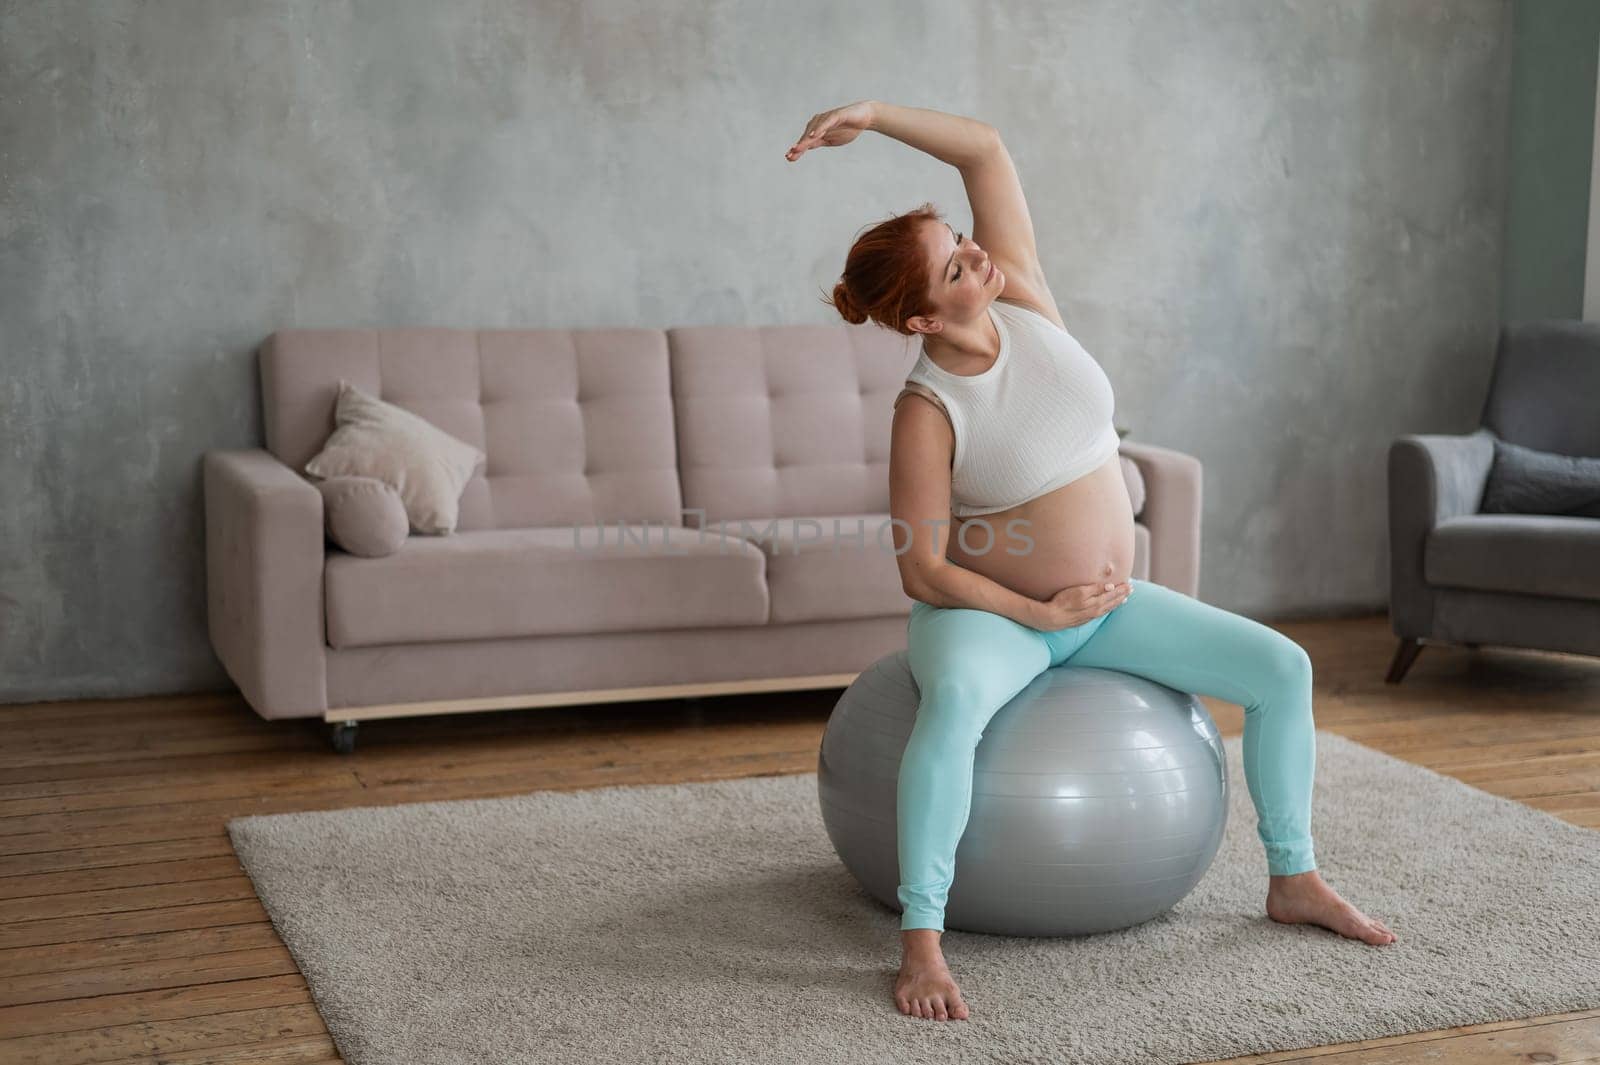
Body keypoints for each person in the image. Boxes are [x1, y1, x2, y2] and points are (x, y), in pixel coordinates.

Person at [785, 100, 1398, 1024]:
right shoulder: (926, 410)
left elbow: (987, 148)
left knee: (1285, 668)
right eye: (955, 263)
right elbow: (923, 572)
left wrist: (871, 115)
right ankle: (921, 944)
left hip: (1109, 605)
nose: (977, 255)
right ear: (919, 315)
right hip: (991, 619)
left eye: (962, 239)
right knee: (951, 706)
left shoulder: (1021, 294)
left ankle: (1295, 875)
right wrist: (1034, 614)